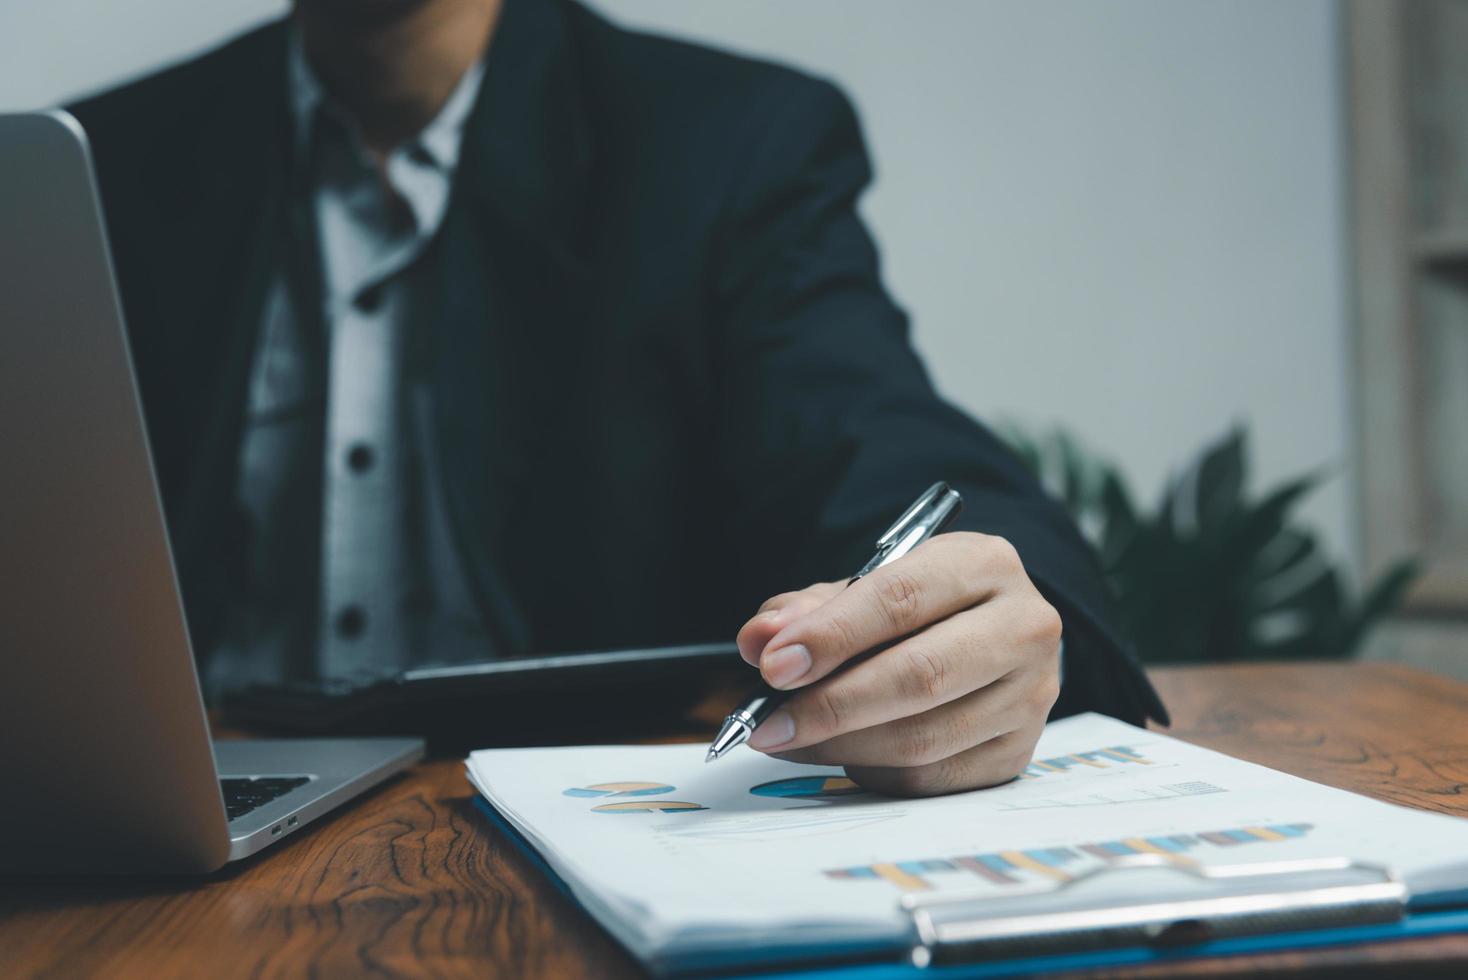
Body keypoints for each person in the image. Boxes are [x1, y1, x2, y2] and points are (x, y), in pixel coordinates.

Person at [70, 0, 1165, 797]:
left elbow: (874, 434)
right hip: (164, 829)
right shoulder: (101, 160)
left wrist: (991, 609)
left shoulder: (727, 141)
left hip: (586, 808)